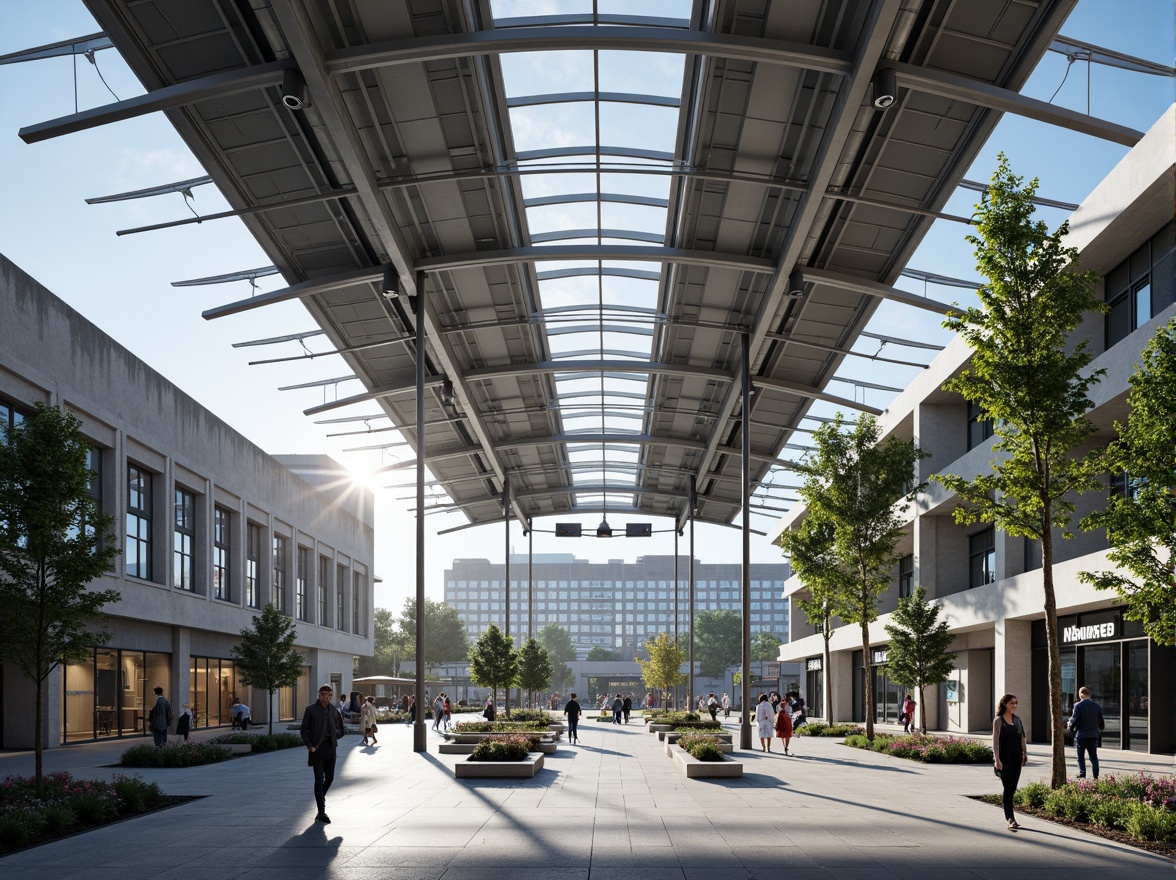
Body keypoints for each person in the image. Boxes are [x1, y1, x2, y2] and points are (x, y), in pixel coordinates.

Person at [301, 683, 346, 824]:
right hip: (317, 749)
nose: (325, 698)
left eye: (328, 696)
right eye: (323, 695)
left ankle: (320, 797)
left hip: (331, 748)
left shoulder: (334, 711)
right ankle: (321, 811)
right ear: (319, 695)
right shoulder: (311, 710)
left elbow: (341, 729)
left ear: (331, 696)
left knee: (330, 778)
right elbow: (304, 730)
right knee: (319, 779)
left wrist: (335, 735)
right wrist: (309, 745)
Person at [992, 693, 1028, 831]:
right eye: (1012, 703)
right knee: (1009, 788)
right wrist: (997, 760)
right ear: (1004, 704)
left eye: (1016, 702)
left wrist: (1025, 753)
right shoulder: (998, 721)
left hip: (1016, 759)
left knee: (1011, 789)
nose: (1015, 705)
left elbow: (1022, 738)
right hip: (1003, 761)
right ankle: (1011, 819)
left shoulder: (1017, 720)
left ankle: (1010, 817)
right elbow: (995, 742)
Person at [1068, 686, 1105, 779]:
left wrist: (1071, 728)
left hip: (1082, 734)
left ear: (1081, 695)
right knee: (1093, 756)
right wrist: (1100, 729)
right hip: (1093, 734)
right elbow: (1100, 720)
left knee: (1080, 756)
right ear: (1090, 694)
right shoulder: (1097, 706)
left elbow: (1075, 719)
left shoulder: (1078, 706)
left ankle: (1082, 772)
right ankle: (1095, 774)